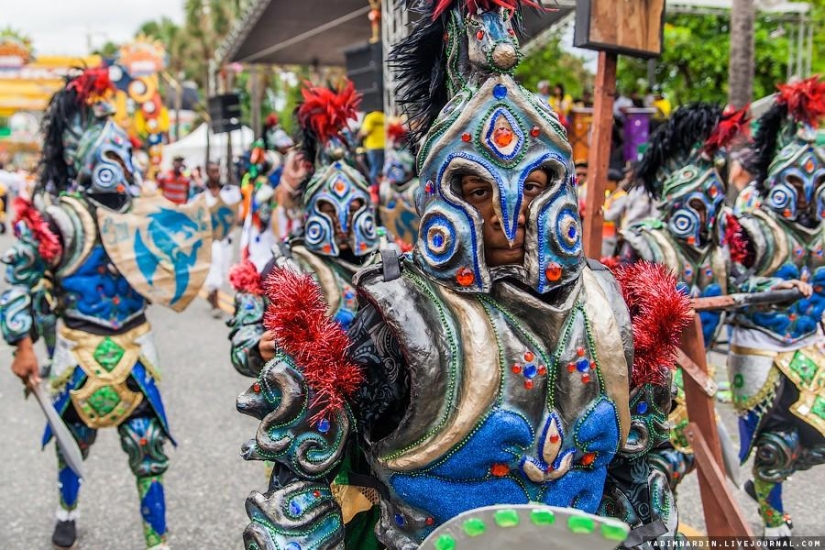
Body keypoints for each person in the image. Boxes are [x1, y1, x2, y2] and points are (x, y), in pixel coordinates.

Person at [235, 3, 693, 548]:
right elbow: (306, 498)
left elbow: (640, 472)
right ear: (441, 202)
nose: (510, 212)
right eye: (478, 191)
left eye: (534, 186)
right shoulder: (396, 320)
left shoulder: (609, 308)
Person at [3, 67, 211, 550]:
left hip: (136, 351)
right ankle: (66, 511)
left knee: (148, 449)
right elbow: (18, 279)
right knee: (70, 444)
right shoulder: (59, 219)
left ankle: (156, 541)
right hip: (77, 353)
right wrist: (23, 344)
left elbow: (180, 267)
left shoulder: (144, 212)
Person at [615, 104, 752, 495]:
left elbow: (748, 292)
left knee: (697, 464)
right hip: (648, 388)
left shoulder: (718, 257)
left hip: (697, 382)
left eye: (712, 205)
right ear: (676, 207)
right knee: (655, 472)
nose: (706, 217)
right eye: (697, 206)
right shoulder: (645, 242)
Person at [725, 77, 825, 539]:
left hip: (808, 345)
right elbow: (728, 280)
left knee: (815, 440)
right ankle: (772, 515)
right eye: (798, 180)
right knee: (772, 443)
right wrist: (772, 284)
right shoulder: (752, 223)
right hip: (759, 347)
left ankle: (766, 487)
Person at [203, 161, 242, 318]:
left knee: (224, 270)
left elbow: (234, 214)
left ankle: (211, 295)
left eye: (217, 171)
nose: (215, 174)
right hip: (211, 241)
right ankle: (215, 302)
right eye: (212, 171)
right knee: (214, 270)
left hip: (226, 239)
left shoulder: (228, 192)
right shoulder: (202, 195)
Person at [358, 109, 385, 186]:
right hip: (383, 146)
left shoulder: (370, 117)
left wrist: (359, 135)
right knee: (381, 169)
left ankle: (374, 188)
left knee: (374, 169)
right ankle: (381, 188)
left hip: (373, 146)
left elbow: (366, 131)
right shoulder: (384, 117)